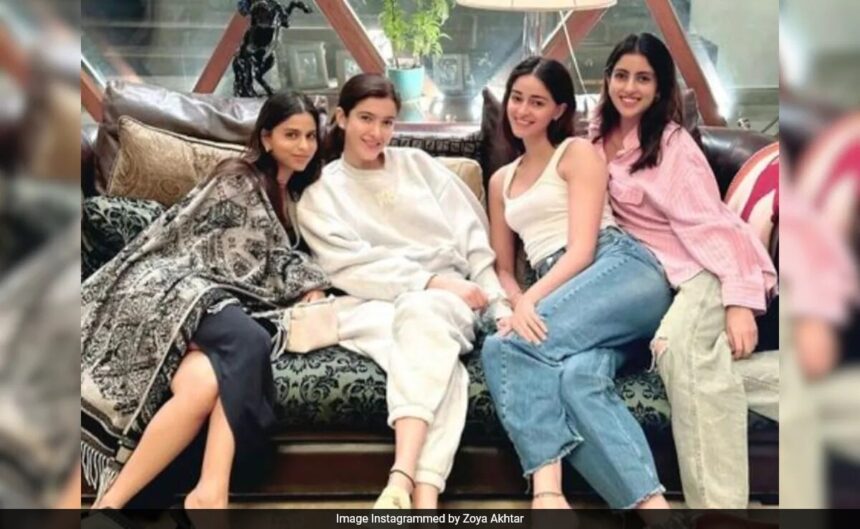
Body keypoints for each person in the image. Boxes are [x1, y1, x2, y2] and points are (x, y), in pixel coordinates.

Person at [82, 91, 329, 510]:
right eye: (292, 135)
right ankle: (212, 493)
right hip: (174, 283)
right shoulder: (238, 178)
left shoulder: (296, 196)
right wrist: (308, 282)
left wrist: (309, 284)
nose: (303, 145)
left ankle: (111, 508)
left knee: (204, 382)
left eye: (310, 136)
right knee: (250, 340)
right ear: (266, 138)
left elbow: (276, 258)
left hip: (214, 296)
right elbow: (218, 250)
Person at [296, 74, 511, 509]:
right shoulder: (320, 191)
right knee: (437, 364)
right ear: (341, 118)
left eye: (387, 122)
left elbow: (474, 241)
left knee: (422, 316)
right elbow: (349, 266)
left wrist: (498, 301)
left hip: (450, 300)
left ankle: (400, 476)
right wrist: (429, 282)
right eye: (366, 119)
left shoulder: (419, 165)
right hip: (378, 302)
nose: (377, 132)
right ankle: (425, 497)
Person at [591, 33, 779, 508]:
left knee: (676, 349)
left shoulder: (673, 145)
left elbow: (713, 226)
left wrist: (738, 300)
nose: (629, 87)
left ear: (660, 87)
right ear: (607, 78)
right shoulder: (592, 139)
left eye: (643, 78)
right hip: (665, 278)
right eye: (621, 75)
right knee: (705, 372)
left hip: (708, 269)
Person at [479, 56, 672, 513]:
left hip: (619, 271)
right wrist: (518, 300)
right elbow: (504, 268)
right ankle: (658, 515)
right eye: (517, 98)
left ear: (559, 110)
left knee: (506, 347)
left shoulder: (576, 153)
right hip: (566, 295)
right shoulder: (501, 180)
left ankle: (547, 493)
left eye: (537, 102)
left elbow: (583, 250)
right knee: (577, 380)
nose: (522, 110)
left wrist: (531, 301)